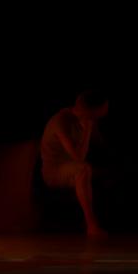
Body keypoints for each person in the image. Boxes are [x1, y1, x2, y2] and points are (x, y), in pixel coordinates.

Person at [39, 90, 109, 237]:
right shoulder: (61, 121)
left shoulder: (85, 119)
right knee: (83, 169)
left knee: (105, 171)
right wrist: (88, 129)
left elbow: (101, 145)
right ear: (91, 111)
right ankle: (91, 225)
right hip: (54, 171)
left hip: (70, 166)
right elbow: (79, 157)